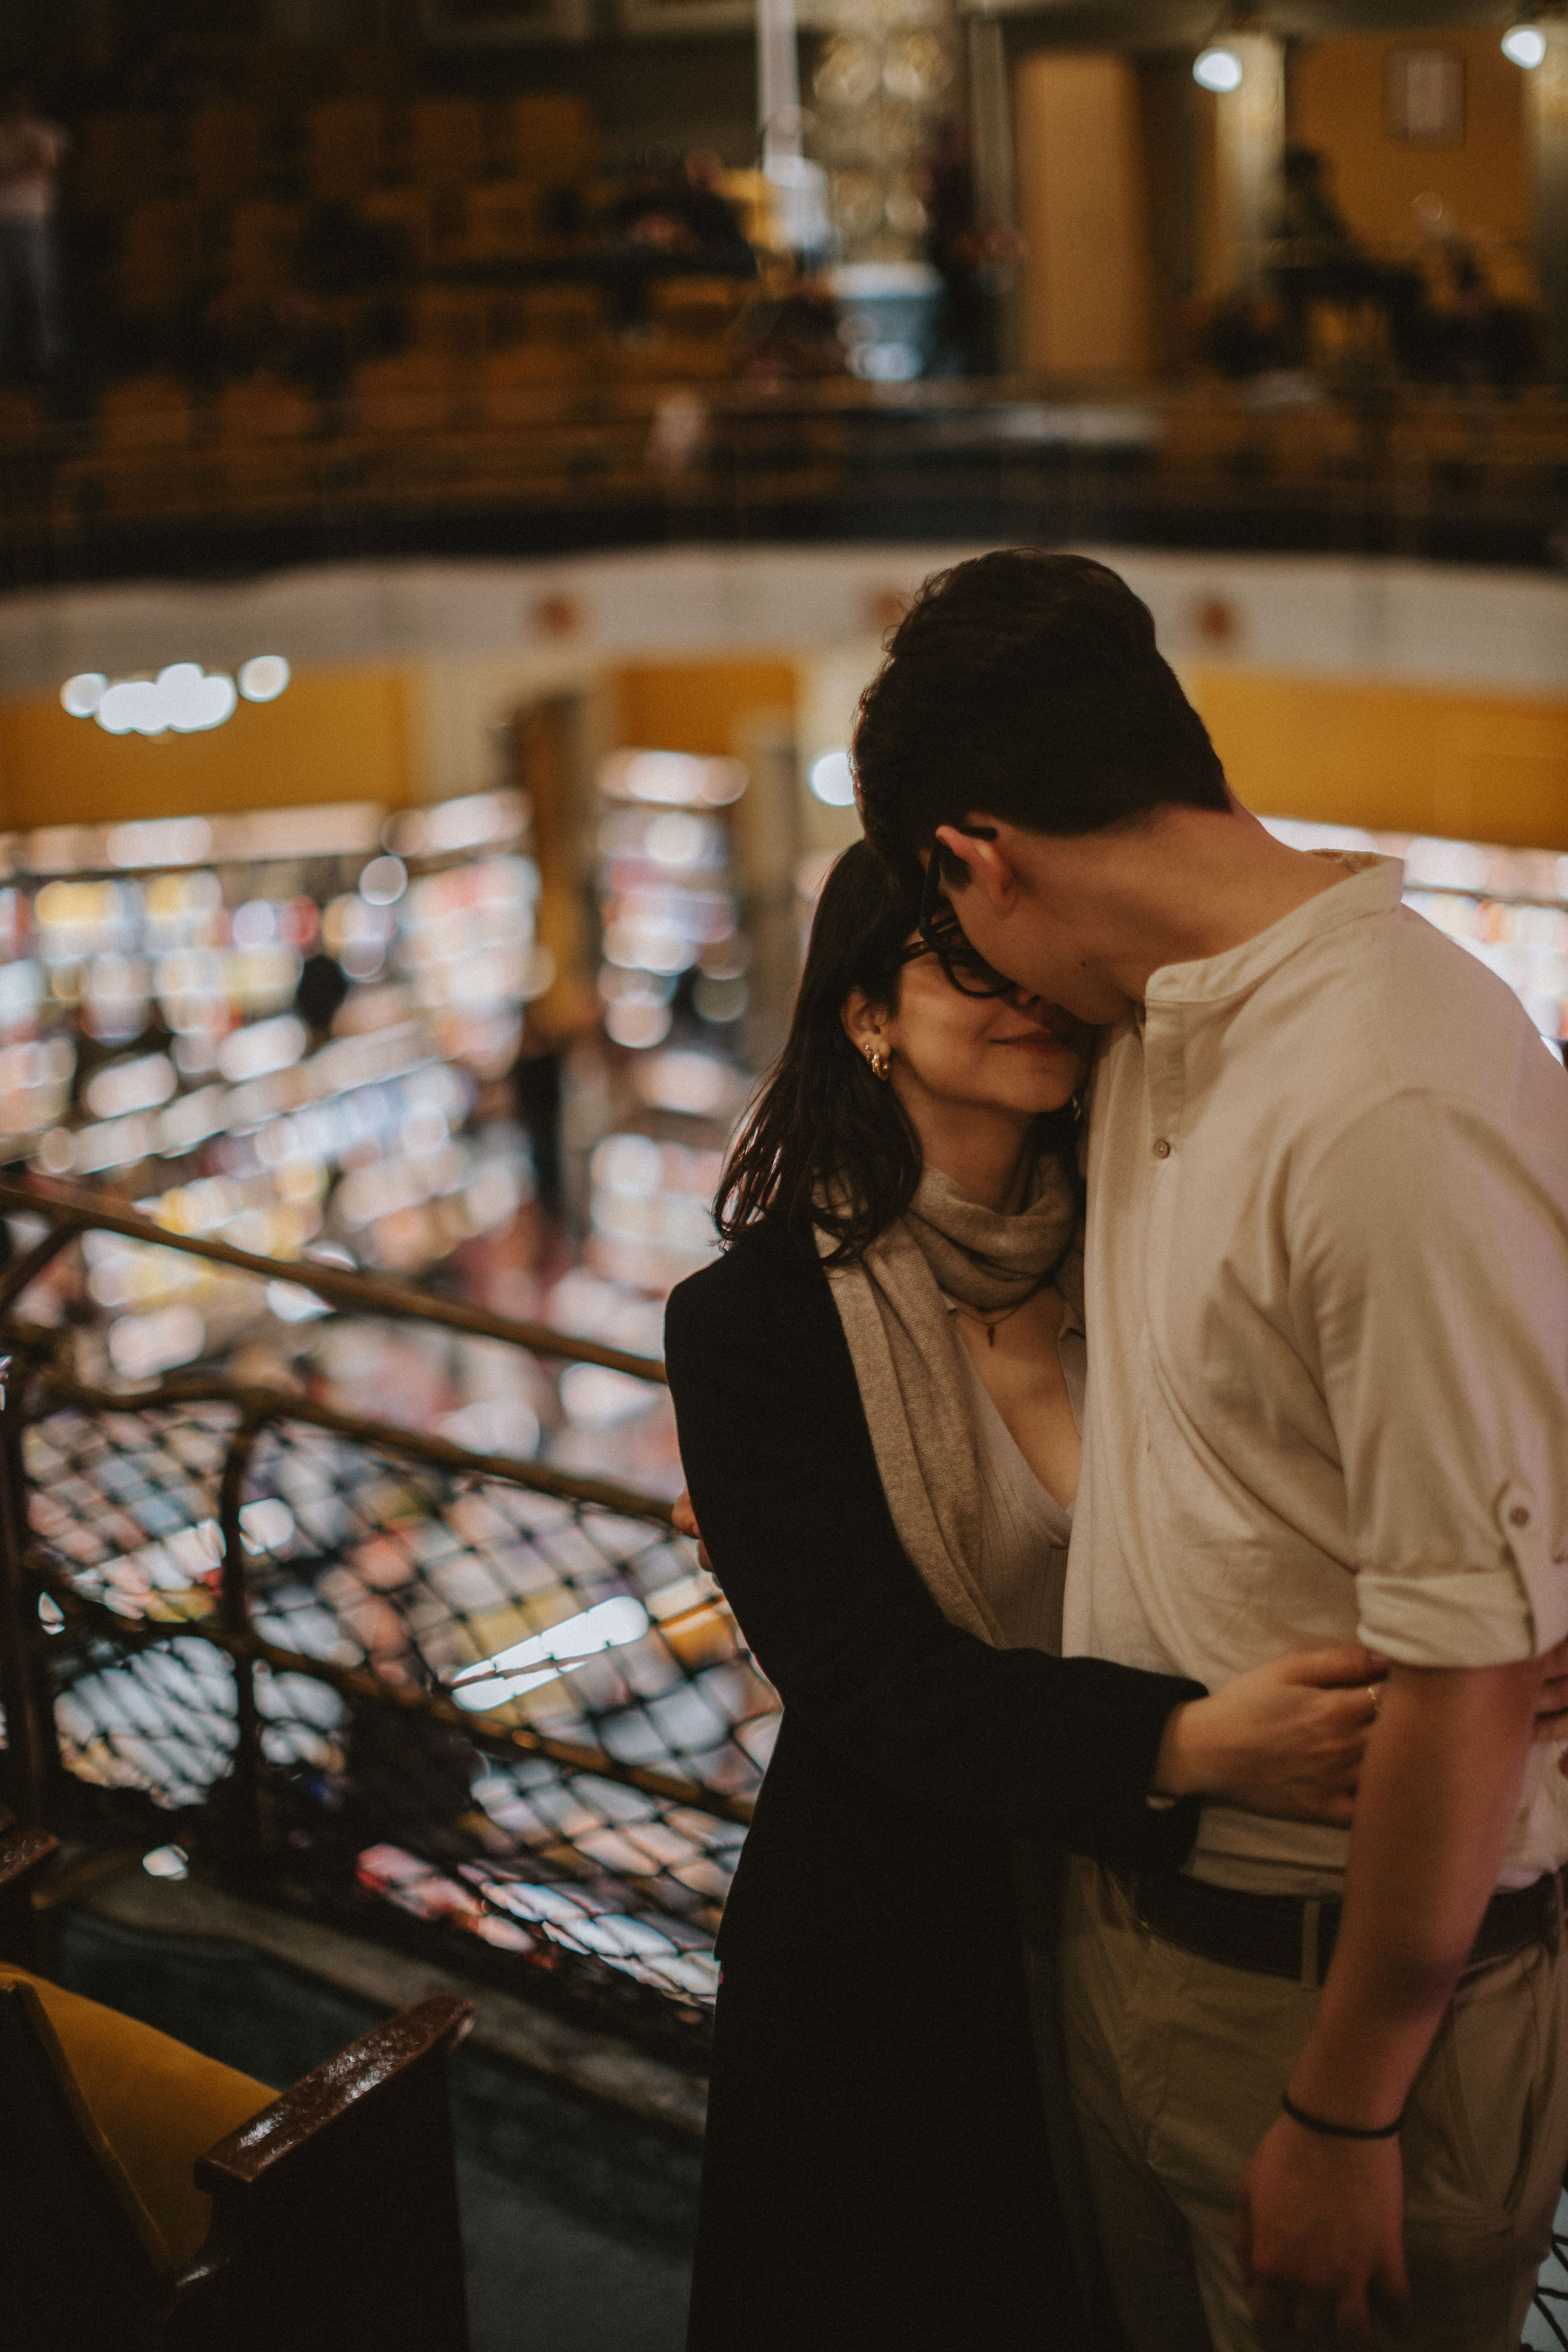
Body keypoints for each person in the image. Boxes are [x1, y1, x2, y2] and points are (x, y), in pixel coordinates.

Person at [852, 548, 1568, 2352]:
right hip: (1154, 1931)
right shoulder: (1170, 1028)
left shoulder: (1383, 1092)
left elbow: (1471, 1664)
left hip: (1337, 1998)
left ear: (977, 853)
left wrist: (1344, 2103)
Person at [665, 839, 1416, 2351]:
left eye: (1040, 967)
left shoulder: (1149, 1245)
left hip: (1156, 1924)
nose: (1024, 1000)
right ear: (865, 1010)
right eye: (965, 964)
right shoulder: (752, 1321)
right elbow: (866, 1679)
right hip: (900, 1941)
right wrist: (1190, 1745)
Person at [0, 86, 66, 375]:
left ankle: (47, 358)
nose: (20, 109)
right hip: (2, 222)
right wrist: (25, 165)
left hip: (33, 223)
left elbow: (46, 166)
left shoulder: (46, 132)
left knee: (42, 291)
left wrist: (20, 167)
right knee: (3, 295)